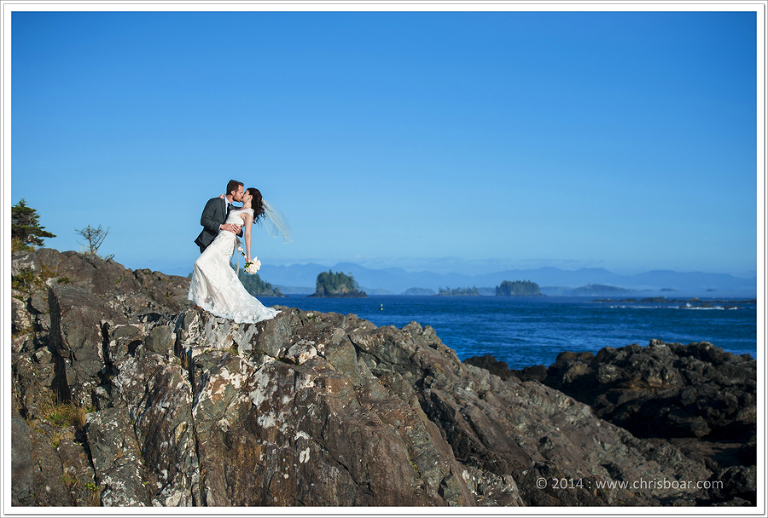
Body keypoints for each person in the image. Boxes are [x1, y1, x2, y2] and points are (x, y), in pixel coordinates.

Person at [188, 187, 280, 324]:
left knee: (201, 263)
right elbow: (226, 206)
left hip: (226, 243)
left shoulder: (249, 213)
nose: (242, 195)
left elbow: (247, 234)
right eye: (241, 192)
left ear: (250, 197)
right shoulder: (235, 209)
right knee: (207, 266)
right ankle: (204, 300)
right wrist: (221, 199)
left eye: (245, 193)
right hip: (219, 239)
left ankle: (202, 301)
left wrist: (248, 255)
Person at [194, 180, 244, 254]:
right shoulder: (214, 202)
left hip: (223, 246)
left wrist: (239, 231)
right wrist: (221, 226)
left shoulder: (234, 209)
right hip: (208, 243)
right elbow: (204, 220)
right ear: (233, 192)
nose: (242, 195)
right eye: (240, 193)